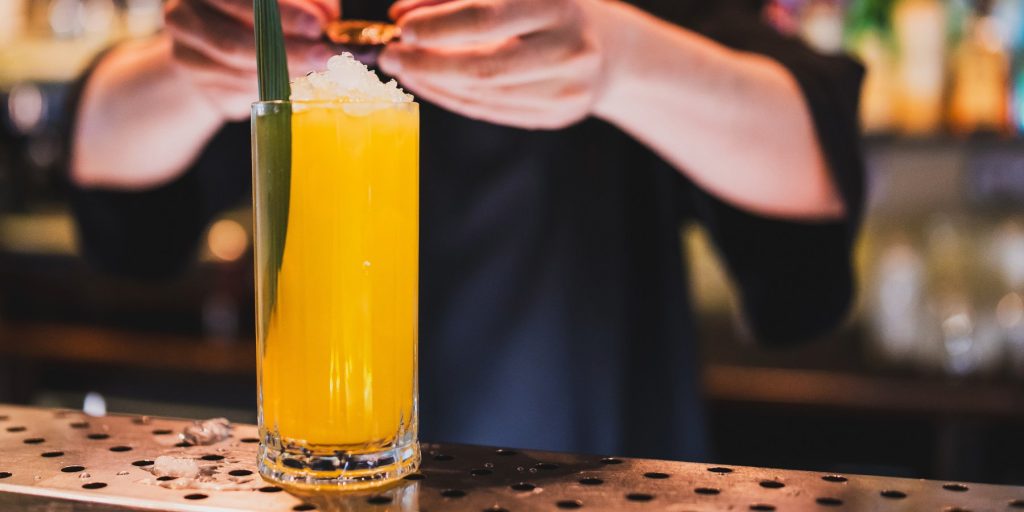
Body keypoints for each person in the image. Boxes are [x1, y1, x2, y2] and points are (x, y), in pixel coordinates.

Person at [68, 0, 864, 460]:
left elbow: (812, 173)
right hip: (330, 463)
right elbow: (114, 193)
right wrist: (194, 68)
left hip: (598, 462)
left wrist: (618, 58)